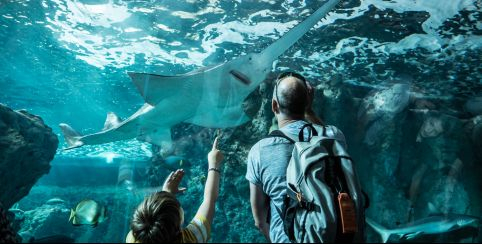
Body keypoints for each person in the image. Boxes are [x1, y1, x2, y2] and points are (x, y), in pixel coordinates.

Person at [246, 72, 348, 242]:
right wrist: (309, 109)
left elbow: (260, 221)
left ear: (274, 105)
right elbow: (325, 135)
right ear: (308, 102)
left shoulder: (259, 151)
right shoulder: (335, 136)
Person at [126, 135, 224, 243]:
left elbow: (209, 200)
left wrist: (167, 194)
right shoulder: (190, 239)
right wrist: (214, 163)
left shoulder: (134, 237)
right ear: (179, 223)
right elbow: (209, 200)